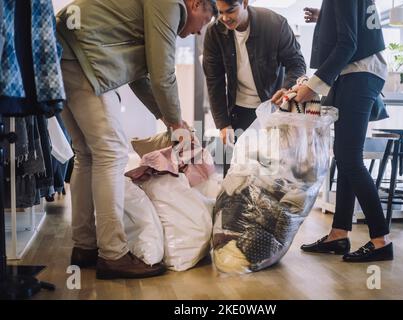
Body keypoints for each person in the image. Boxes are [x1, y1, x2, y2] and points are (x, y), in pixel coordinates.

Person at [56, 0, 218, 279]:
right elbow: (162, 74)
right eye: (205, 20)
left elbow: (142, 78)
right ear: (196, 3)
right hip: (84, 57)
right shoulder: (171, 4)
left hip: (66, 53)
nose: (200, 32)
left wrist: (171, 122)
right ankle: (113, 254)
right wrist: (178, 126)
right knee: (112, 153)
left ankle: (85, 245)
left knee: (87, 153)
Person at [274, 1, 393, 263]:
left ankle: (380, 240)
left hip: (359, 72)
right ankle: (339, 233)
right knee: (344, 157)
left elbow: (348, 43)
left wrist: (313, 86)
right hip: (355, 72)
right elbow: (352, 24)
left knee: (349, 157)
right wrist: (326, 16)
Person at [203, 0, 306, 175]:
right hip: (237, 113)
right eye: (220, 12)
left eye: (230, 11)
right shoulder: (215, 32)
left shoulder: (275, 24)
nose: (225, 18)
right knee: (235, 177)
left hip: (272, 112)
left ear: (244, 3)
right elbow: (215, 81)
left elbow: (296, 64)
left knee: (270, 176)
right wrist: (223, 124)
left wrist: (287, 89)